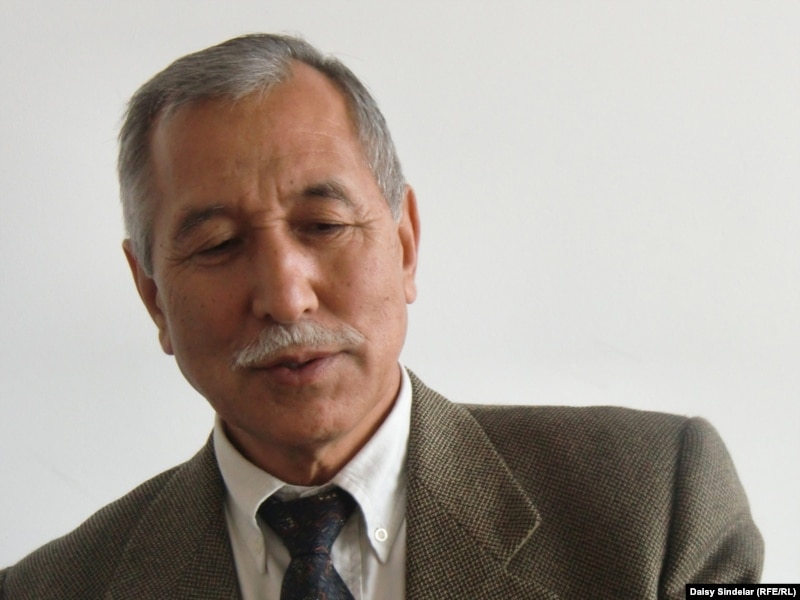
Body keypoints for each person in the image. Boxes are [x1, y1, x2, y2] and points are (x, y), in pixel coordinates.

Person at [0, 33, 762, 600]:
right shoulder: (49, 590)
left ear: (404, 245)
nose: (286, 297)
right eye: (220, 245)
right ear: (152, 297)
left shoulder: (658, 501)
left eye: (324, 226)